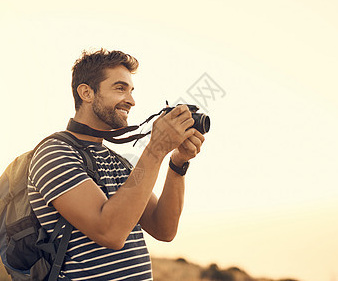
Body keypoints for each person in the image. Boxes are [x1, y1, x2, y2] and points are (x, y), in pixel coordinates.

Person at [28, 48, 205, 280]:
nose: (131, 101)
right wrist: (156, 148)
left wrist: (177, 164)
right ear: (86, 93)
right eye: (120, 88)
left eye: (131, 91)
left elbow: (164, 229)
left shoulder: (117, 163)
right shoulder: (54, 153)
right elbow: (110, 232)